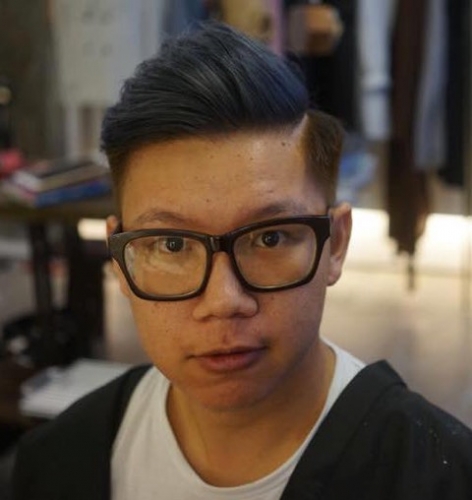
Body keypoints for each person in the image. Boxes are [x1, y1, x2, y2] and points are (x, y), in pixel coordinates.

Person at [12, 21, 472, 500]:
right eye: (172, 246)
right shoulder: (57, 463)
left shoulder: (440, 477)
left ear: (335, 244)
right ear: (120, 258)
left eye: (269, 238)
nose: (224, 301)